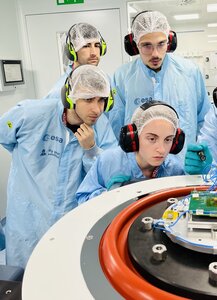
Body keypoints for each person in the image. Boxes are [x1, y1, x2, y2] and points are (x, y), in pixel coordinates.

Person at [0, 64, 117, 268]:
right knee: (22, 281)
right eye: (88, 99)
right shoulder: (30, 114)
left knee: (60, 275)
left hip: (70, 218)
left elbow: (109, 175)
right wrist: (29, 160)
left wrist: (91, 150)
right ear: (69, 97)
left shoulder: (102, 127)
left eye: (101, 100)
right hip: (28, 218)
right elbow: (5, 133)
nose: (97, 109)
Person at [108, 11, 210, 160]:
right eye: (147, 46)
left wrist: (201, 158)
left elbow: (204, 121)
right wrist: (121, 165)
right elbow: (115, 128)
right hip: (140, 168)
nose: (155, 54)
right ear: (135, 45)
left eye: (161, 44)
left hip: (183, 164)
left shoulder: (190, 72)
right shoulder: (122, 77)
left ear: (169, 41)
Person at [76, 100, 186, 203]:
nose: (161, 149)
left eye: (168, 139)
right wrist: (111, 196)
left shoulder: (174, 169)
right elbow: (83, 197)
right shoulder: (110, 161)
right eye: (152, 139)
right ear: (134, 138)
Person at [45, 22, 107, 99]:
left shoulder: (105, 80)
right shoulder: (60, 92)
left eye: (97, 45)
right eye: (86, 46)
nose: (94, 53)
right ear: (72, 51)